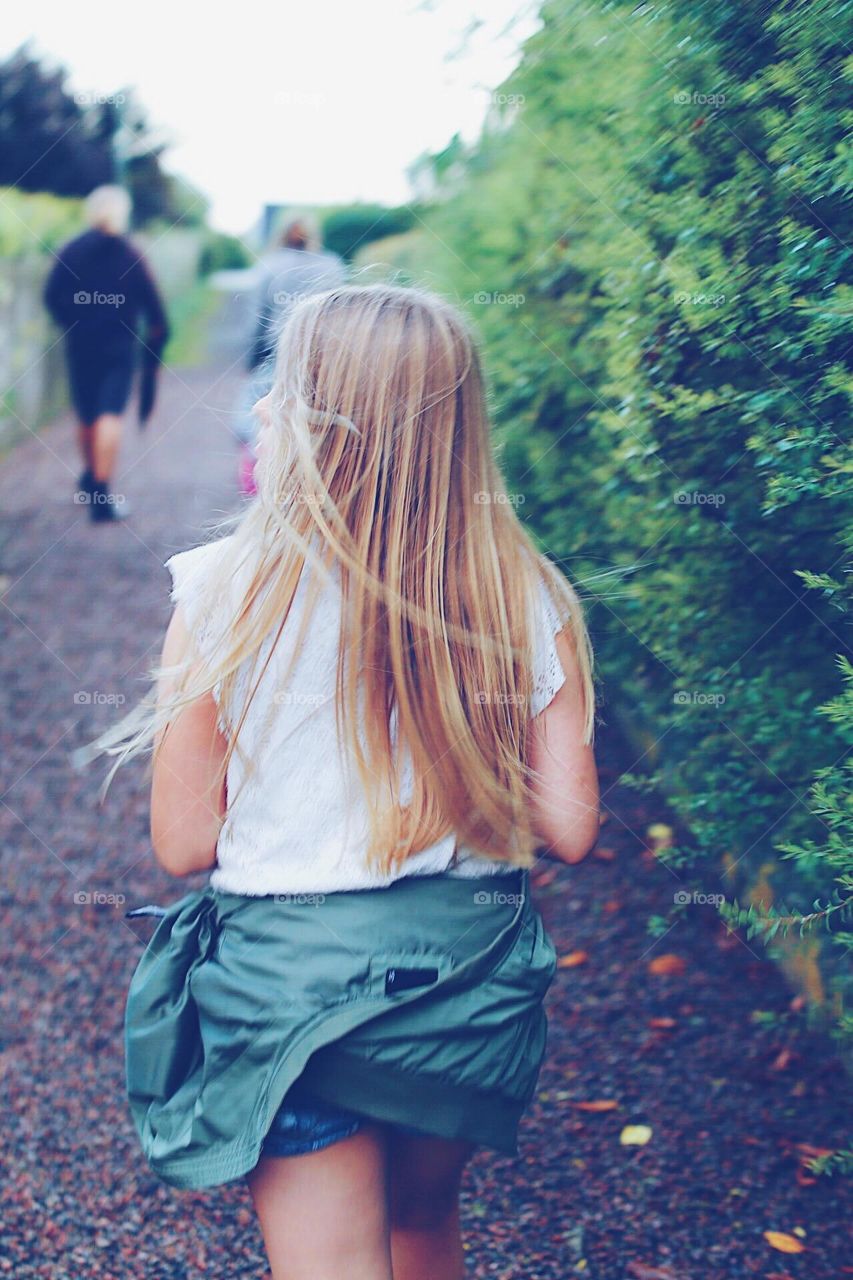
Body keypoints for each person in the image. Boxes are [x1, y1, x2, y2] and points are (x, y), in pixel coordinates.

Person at [89, 283, 599, 1280]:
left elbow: (184, 843)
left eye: (286, 389)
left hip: (292, 994)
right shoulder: (526, 590)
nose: (267, 408)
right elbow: (570, 825)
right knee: (421, 1226)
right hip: (467, 989)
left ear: (327, 425)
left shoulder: (224, 589)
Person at [43, 185, 170, 523]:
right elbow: (154, 308)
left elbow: (51, 295)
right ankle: (100, 492)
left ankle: (90, 478)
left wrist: (71, 321)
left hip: (80, 345)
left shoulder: (71, 252)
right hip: (119, 346)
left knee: (86, 414)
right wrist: (157, 341)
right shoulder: (131, 255)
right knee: (110, 413)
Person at [231, 212, 345, 497]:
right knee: (313, 420)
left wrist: (251, 359)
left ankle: (259, 482)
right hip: (323, 355)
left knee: (260, 418)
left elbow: (256, 317)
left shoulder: (270, 266)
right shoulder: (332, 266)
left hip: (277, 353)